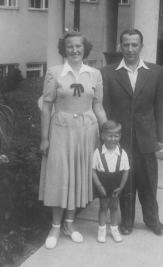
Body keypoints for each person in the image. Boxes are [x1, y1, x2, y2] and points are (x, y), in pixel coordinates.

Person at [39, 31, 107, 249]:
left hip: (87, 131)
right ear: (63, 49)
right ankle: (56, 227)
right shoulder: (54, 73)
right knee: (60, 175)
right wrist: (44, 138)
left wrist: (107, 134)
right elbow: (47, 107)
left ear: (84, 48)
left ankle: (70, 224)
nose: (75, 50)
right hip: (60, 129)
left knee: (77, 175)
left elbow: (98, 106)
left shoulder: (94, 74)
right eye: (70, 47)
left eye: (78, 46)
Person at [101, 29, 163, 236]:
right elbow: (107, 107)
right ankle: (126, 221)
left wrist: (161, 137)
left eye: (134, 44)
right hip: (121, 139)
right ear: (120, 47)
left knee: (148, 181)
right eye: (126, 45)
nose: (130, 49)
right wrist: (108, 138)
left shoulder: (155, 71)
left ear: (141, 46)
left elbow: (160, 107)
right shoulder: (108, 72)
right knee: (125, 181)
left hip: (146, 138)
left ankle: (152, 221)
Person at [92, 120, 129, 243]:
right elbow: (92, 170)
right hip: (102, 184)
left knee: (114, 206)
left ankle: (114, 230)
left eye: (116, 136)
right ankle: (101, 230)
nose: (113, 139)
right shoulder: (97, 153)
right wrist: (98, 185)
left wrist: (121, 187)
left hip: (116, 185)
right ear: (103, 136)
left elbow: (126, 171)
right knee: (103, 206)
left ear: (120, 136)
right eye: (109, 135)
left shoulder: (122, 153)